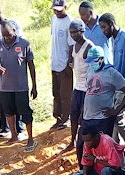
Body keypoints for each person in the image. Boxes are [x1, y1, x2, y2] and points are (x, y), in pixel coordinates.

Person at [77, 46, 125, 166]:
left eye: (93, 61)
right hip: (87, 116)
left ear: (101, 59)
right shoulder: (90, 70)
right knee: (81, 144)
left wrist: (116, 110)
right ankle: (84, 171)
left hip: (102, 119)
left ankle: (103, 174)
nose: (91, 64)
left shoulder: (112, 73)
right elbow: (88, 92)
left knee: (103, 147)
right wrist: (82, 112)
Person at [0, 21, 38, 152]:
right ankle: (14, 135)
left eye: (9, 35)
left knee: (25, 112)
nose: (7, 38)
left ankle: (30, 138)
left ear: (14, 30)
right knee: (8, 111)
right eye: (4, 36)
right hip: (5, 86)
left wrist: (34, 85)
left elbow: (31, 66)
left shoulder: (24, 44)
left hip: (21, 86)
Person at [0, 2, 24, 138]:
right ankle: (4, 127)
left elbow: (21, 42)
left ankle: (19, 128)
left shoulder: (11, 24)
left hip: (13, 66)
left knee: (15, 96)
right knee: (1, 97)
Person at [100, 12, 125, 146]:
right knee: (113, 116)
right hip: (117, 85)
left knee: (117, 117)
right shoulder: (113, 40)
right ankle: (115, 145)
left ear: (111, 24)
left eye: (104, 27)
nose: (103, 31)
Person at [63, 19, 93, 153]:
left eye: (75, 32)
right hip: (78, 86)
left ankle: (84, 144)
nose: (73, 35)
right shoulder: (73, 47)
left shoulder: (89, 47)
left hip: (87, 88)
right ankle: (73, 141)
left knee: (83, 117)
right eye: (71, 32)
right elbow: (72, 60)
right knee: (73, 115)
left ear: (82, 31)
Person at [50, 0, 74, 130]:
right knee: (56, 93)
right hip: (54, 62)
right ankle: (58, 118)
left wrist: (69, 64)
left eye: (60, 9)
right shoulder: (53, 19)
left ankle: (66, 118)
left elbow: (71, 45)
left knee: (66, 94)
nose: (57, 12)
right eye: (55, 9)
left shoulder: (69, 22)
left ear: (65, 7)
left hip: (65, 65)